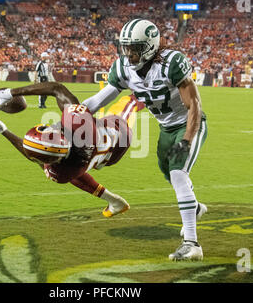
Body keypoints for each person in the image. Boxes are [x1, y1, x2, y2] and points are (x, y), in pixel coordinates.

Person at [81, 19, 208, 261]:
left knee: (179, 174)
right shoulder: (123, 68)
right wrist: (74, 115)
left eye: (134, 48)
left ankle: (192, 244)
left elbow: (195, 105)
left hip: (189, 123)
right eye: (125, 47)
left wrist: (188, 139)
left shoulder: (171, 64)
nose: (128, 53)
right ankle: (195, 208)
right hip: (166, 128)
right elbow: (97, 101)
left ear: (149, 47)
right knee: (169, 174)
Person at [0, 81, 145, 218]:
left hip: (101, 160)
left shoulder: (60, 171)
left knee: (70, 175)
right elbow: (56, 89)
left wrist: (3, 131)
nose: (49, 127)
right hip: (118, 135)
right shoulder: (78, 126)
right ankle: (154, 90)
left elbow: (36, 157)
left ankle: (114, 201)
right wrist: (11, 92)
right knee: (128, 102)